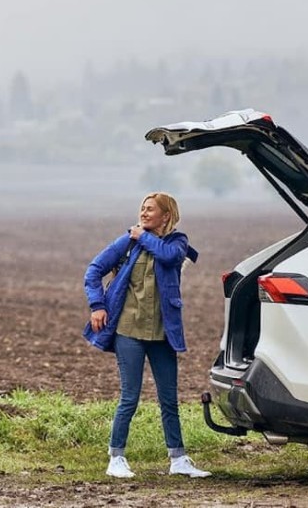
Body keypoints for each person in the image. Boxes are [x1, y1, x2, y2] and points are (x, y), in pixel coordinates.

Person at [82, 191, 210, 479]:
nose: (143, 212)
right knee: (129, 397)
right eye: (142, 208)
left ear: (166, 216)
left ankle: (178, 459)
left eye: (150, 209)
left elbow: (168, 256)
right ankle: (116, 457)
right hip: (128, 330)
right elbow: (93, 271)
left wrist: (142, 236)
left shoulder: (177, 242)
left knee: (169, 399)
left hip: (163, 334)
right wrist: (97, 306)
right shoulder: (127, 241)